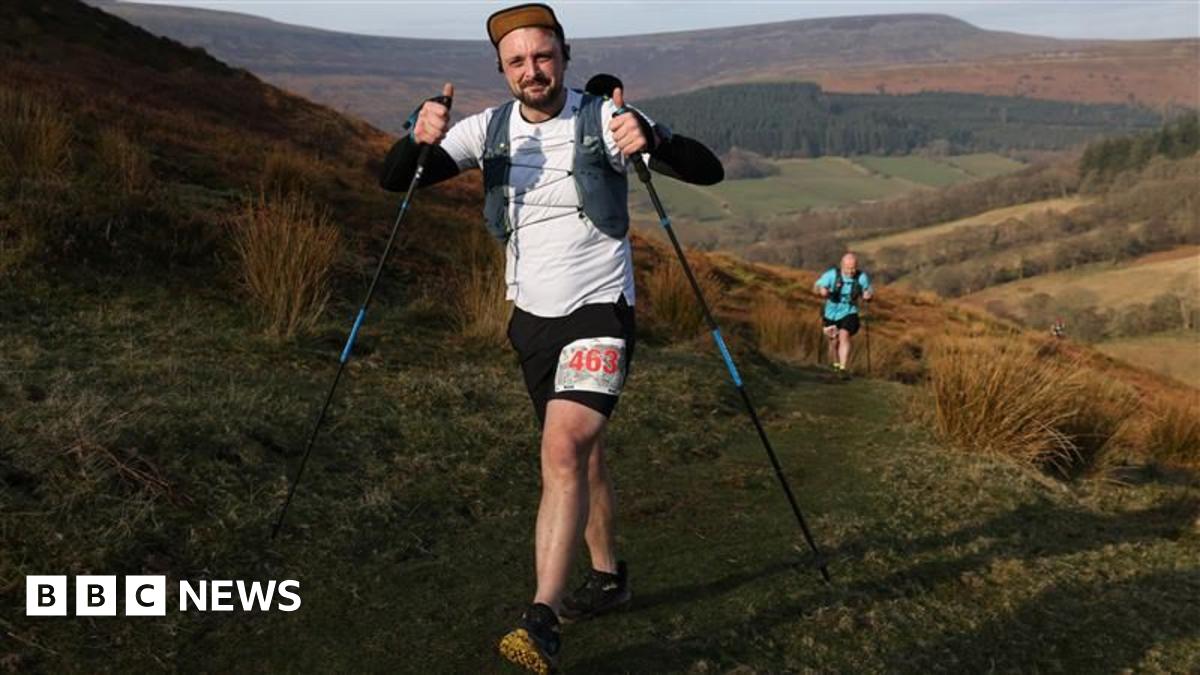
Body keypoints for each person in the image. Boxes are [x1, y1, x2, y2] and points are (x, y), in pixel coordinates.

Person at [377, 4, 722, 672]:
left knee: (562, 449)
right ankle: (608, 576)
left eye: (543, 56)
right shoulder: (489, 129)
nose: (532, 71)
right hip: (530, 319)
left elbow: (707, 171)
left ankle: (541, 617)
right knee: (584, 460)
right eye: (517, 62)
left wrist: (653, 138)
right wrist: (416, 138)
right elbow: (399, 179)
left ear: (565, 54)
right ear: (502, 70)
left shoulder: (602, 117)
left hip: (602, 309)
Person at [813, 253, 873, 375]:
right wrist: (821, 290)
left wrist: (868, 295)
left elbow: (868, 291)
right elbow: (816, 287)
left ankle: (843, 368)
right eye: (848, 268)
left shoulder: (861, 277)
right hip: (830, 313)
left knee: (844, 335)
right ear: (842, 266)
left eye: (854, 268)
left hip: (850, 312)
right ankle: (835, 365)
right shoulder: (831, 275)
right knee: (833, 341)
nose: (851, 271)